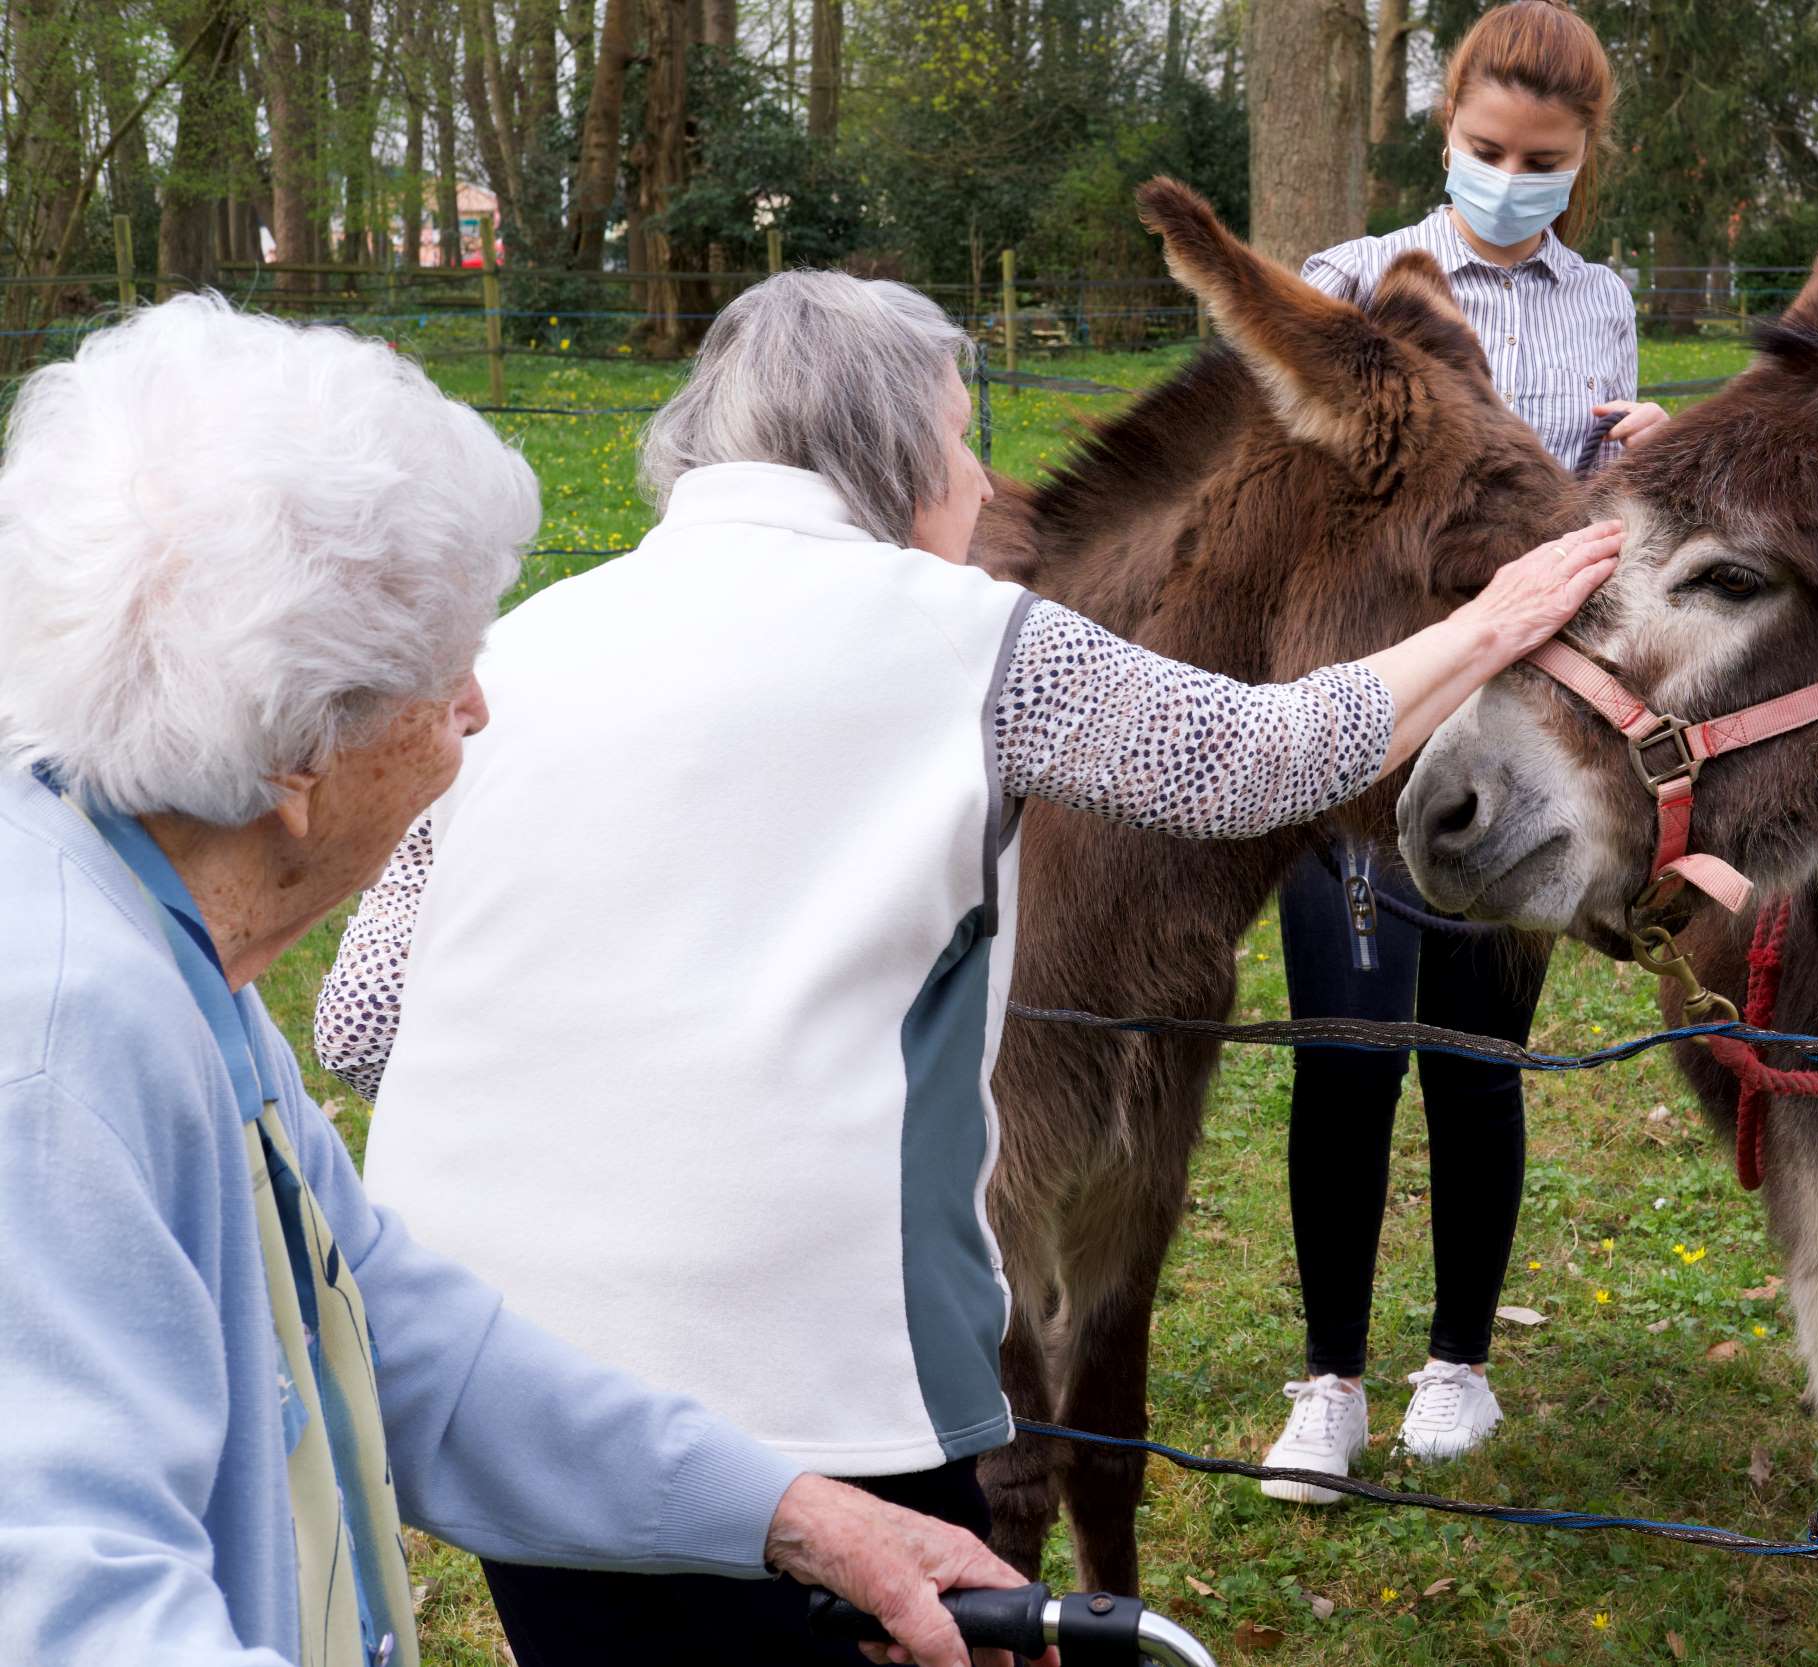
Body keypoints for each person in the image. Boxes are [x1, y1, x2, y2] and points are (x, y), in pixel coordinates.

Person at [310, 268, 1621, 1667]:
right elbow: (1256, 761)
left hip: (498, 1391)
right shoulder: (972, 641)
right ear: (885, 455)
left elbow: (360, 1018)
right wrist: (1493, 620)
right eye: (957, 435)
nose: (983, 474)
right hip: (813, 1403)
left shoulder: (520, 651)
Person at [0, 296, 1051, 1667]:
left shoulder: (162, 946)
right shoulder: (59, 1049)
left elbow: (392, 1337)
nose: (481, 706)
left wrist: (796, 1514)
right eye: (443, 674)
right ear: (291, 762)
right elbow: (79, 1614)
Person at [1259, 0, 1659, 1499]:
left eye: (1542, 158)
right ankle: (1329, 1385)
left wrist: (1647, 458)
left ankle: (1458, 1364)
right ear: (1445, 128)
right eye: (1488, 148)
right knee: (1348, 1053)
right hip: (1367, 721)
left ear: (1580, 160)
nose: (1512, 175)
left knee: (1480, 1063)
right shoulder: (1346, 285)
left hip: (1526, 728)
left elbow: (1599, 516)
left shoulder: (1600, 302)